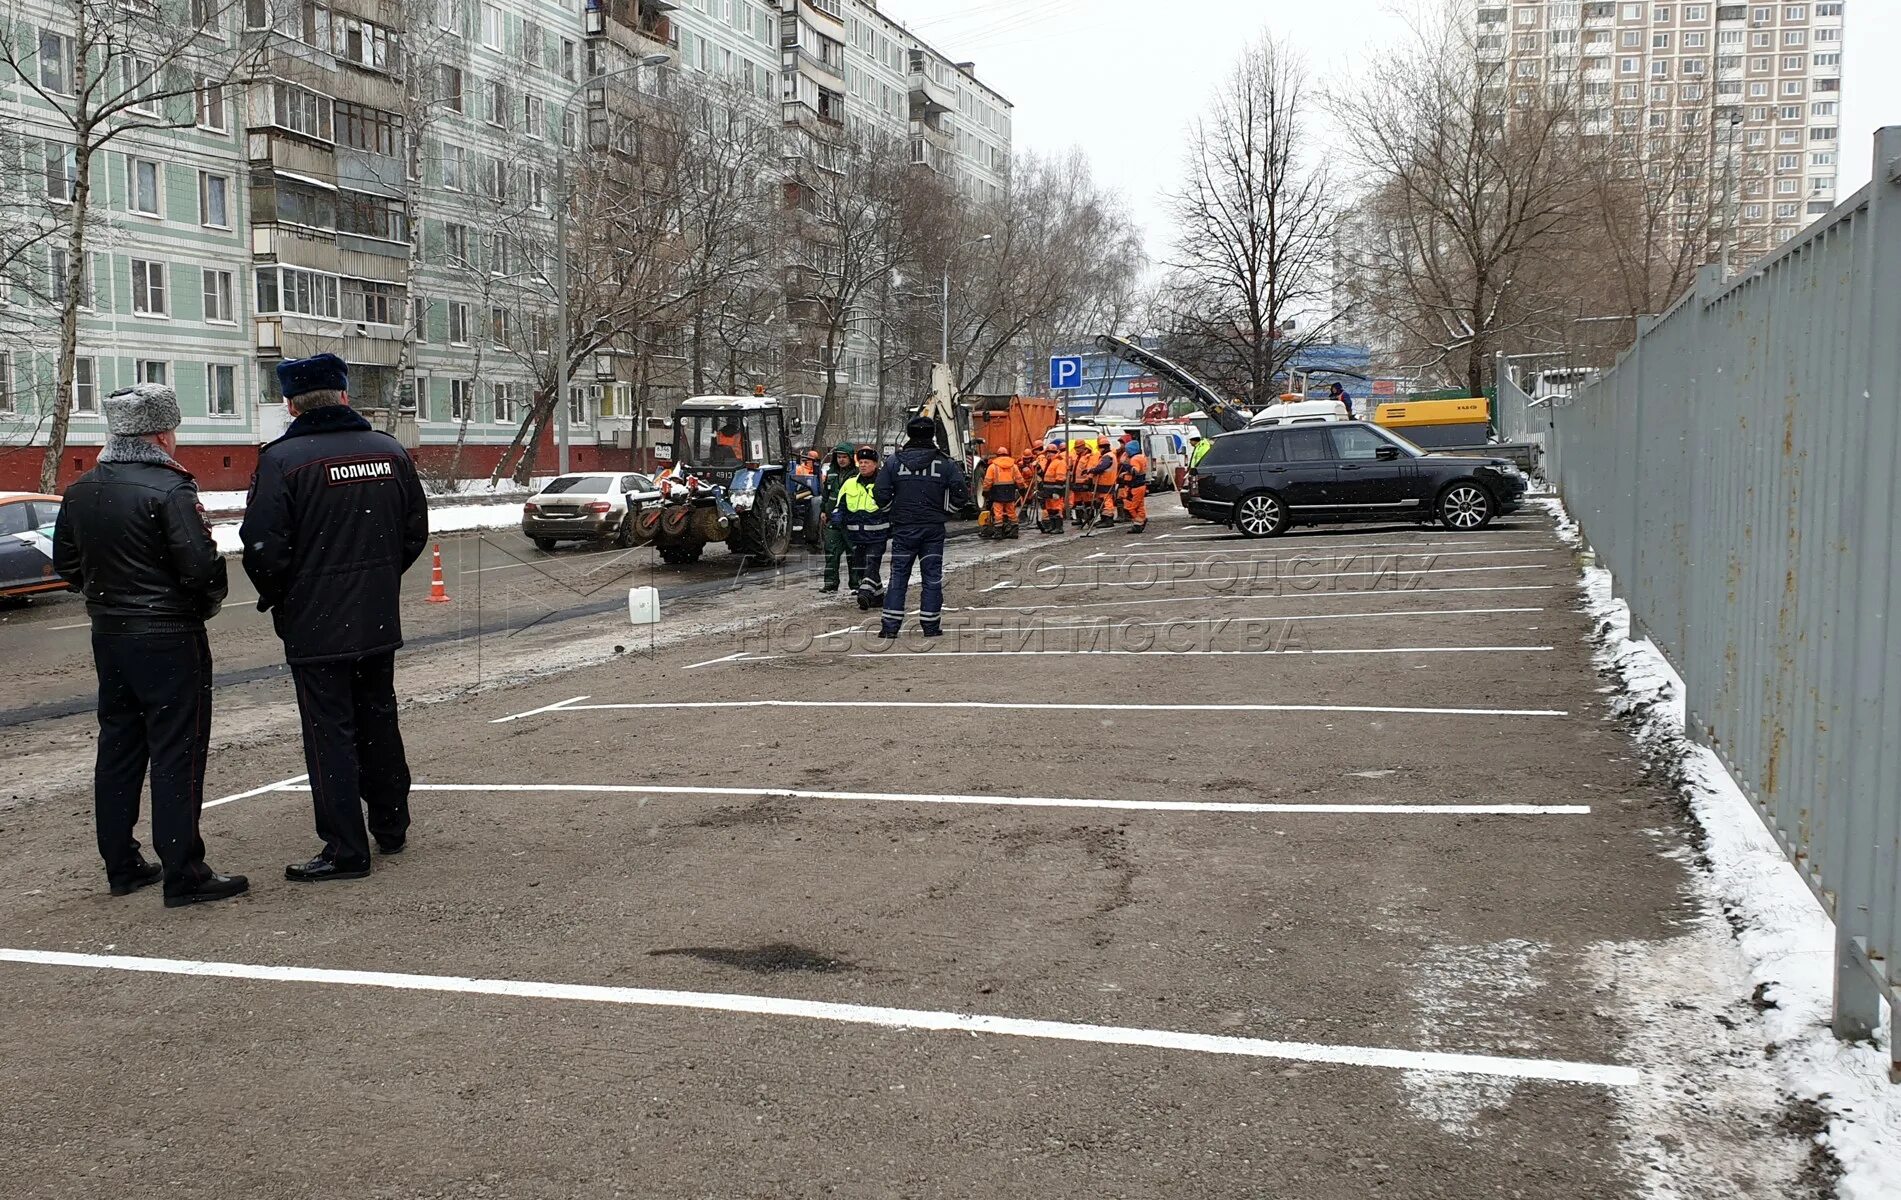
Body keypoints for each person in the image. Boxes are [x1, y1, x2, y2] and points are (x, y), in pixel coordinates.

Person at [52, 385, 250, 908]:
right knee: (176, 749)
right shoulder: (169, 489)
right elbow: (203, 568)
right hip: (168, 635)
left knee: (118, 745)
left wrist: (111, 597)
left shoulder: (82, 489)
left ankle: (121, 863)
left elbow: (67, 567)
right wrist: (198, 606)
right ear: (162, 434)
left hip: (110, 634)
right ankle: (183, 870)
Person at [241, 353, 429, 884]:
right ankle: (391, 825)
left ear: (290, 404)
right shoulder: (388, 451)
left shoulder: (282, 460)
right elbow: (413, 531)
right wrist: (377, 578)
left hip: (316, 624)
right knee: (378, 721)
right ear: (344, 396)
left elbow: (261, 545)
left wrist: (286, 596)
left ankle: (346, 848)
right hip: (374, 618)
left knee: (330, 735)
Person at [873, 415, 969, 638]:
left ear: (909, 434)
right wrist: (946, 512)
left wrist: (893, 511)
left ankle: (890, 627)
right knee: (931, 576)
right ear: (932, 434)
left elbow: (880, 493)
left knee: (898, 576)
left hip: (904, 527)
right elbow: (961, 494)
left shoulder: (894, 462)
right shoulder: (944, 463)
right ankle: (931, 626)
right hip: (933, 528)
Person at [832, 447, 891, 611]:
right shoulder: (849, 484)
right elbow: (840, 505)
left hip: (878, 535)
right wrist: (837, 515)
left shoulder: (884, 483)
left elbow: (891, 507)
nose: (863, 465)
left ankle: (864, 593)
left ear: (875, 464)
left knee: (872, 564)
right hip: (857, 536)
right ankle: (878, 597)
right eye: (861, 462)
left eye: (867, 462)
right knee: (860, 566)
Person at [818, 442, 856, 593]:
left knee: (853, 553)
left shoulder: (856, 474)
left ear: (850, 458)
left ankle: (856, 584)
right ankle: (830, 583)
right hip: (832, 518)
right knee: (831, 551)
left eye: (844, 457)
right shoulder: (832, 473)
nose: (841, 460)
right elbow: (826, 495)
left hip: (850, 519)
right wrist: (823, 511)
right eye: (839, 457)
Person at [981, 446, 1022, 539]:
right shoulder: (1013, 466)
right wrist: (1022, 489)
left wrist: (985, 492)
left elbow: (987, 481)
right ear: (1007, 454)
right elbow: (1019, 479)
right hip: (1010, 492)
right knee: (1011, 512)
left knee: (998, 513)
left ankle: (998, 533)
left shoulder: (992, 467)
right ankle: (1014, 531)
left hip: (997, 492)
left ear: (997, 455)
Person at [791, 448, 824, 551]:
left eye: (815, 459)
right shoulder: (800, 469)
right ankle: (811, 537)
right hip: (803, 494)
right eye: (811, 458)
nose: (812, 461)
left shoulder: (818, 470)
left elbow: (822, 481)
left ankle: (815, 536)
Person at [1118, 434, 1151, 534]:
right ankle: (1140, 521)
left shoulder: (1135, 459)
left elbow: (1135, 471)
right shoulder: (1141, 457)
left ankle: (1139, 522)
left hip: (1136, 486)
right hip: (1140, 485)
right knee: (1139, 506)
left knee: (1131, 507)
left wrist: (1126, 467)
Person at [1038, 440, 1069, 534]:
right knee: (1050, 510)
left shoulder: (1059, 462)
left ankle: (1059, 527)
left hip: (1055, 490)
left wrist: (1056, 491)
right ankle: (1053, 526)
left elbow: (1060, 478)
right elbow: (1045, 476)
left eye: (1048, 453)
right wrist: (1039, 470)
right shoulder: (1050, 462)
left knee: (1056, 509)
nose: (1047, 455)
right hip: (1048, 490)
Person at [1091, 439, 1118, 525]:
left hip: (1106, 482)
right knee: (1102, 501)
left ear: (1102, 448)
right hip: (1105, 482)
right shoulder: (1110, 455)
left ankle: (1108, 519)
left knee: (1107, 501)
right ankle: (1104, 518)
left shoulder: (1107, 456)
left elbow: (1102, 467)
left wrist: (1093, 470)